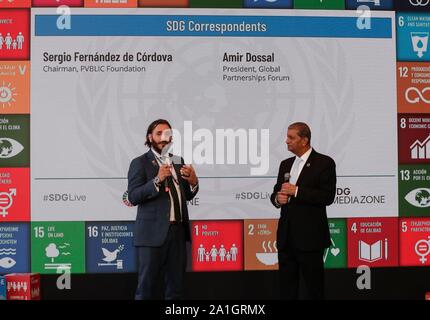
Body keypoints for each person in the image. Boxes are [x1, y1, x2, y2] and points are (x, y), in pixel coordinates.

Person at [127, 119, 199, 300]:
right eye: (159, 134)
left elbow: (187, 195)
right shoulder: (140, 162)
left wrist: (193, 183)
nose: (163, 138)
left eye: (167, 134)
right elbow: (133, 196)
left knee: (176, 289)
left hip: (177, 233)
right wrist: (157, 180)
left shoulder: (178, 160)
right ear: (149, 137)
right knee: (146, 289)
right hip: (152, 235)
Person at [270, 122, 336, 300]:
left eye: (291, 138)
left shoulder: (324, 163)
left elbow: (327, 196)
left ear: (304, 140)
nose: (286, 141)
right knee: (287, 289)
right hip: (286, 238)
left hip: (310, 239)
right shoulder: (285, 164)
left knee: (314, 289)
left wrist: (297, 191)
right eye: (287, 137)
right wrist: (278, 198)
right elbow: (276, 192)